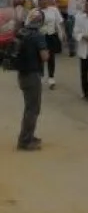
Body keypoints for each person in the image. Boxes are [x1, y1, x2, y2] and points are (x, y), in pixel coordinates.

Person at [13, 10, 48, 151]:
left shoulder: (21, 33)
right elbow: (44, 56)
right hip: (32, 75)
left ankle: (28, 136)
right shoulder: (38, 36)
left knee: (30, 108)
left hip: (22, 74)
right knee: (32, 109)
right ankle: (25, 141)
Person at [37, 0, 65, 89]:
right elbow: (29, 25)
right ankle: (40, 76)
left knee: (51, 58)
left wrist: (62, 33)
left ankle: (51, 77)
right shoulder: (35, 11)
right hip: (40, 37)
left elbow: (59, 22)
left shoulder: (54, 10)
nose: (45, 1)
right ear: (39, 0)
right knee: (40, 58)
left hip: (51, 36)